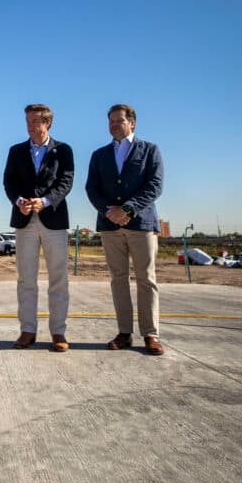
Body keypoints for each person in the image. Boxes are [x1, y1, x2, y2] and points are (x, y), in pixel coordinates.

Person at [85, 104, 166, 355]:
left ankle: (150, 334)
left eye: (118, 121)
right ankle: (124, 332)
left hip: (141, 224)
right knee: (118, 280)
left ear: (132, 123)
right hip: (110, 226)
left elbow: (154, 185)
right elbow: (91, 188)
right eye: (110, 121)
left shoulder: (150, 150)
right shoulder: (99, 155)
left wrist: (128, 209)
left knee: (146, 279)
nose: (113, 125)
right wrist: (108, 211)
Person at [2, 103, 75, 351]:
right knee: (26, 279)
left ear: (48, 123)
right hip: (24, 221)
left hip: (53, 219)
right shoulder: (15, 151)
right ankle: (28, 330)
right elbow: (9, 183)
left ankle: (58, 332)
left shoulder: (63, 150)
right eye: (28, 121)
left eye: (35, 121)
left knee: (58, 278)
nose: (31, 126)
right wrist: (19, 201)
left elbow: (66, 182)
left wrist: (44, 202)